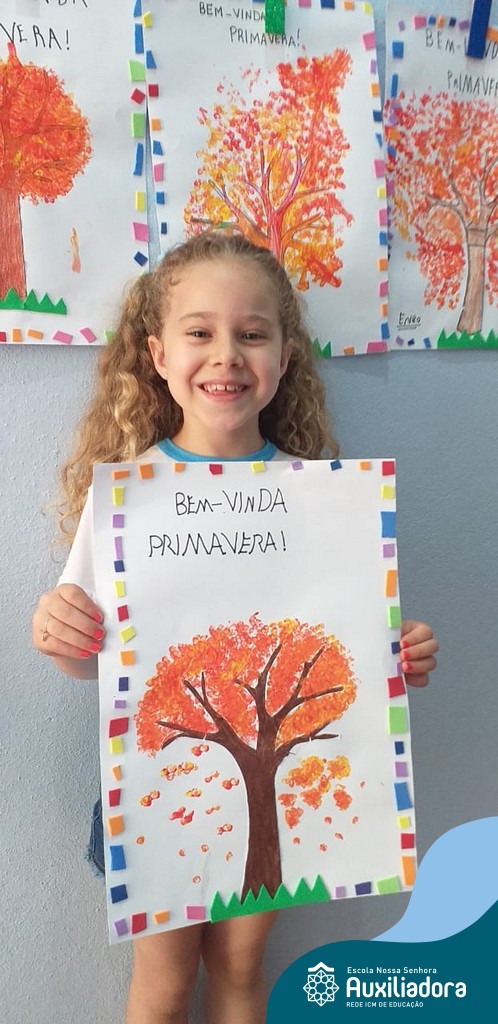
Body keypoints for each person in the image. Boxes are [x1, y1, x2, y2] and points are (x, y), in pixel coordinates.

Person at [32, 232, 438, 1024]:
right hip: (158, 785)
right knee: (164, 980)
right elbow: (90, 661)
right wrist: (61, 633)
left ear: (284, 357)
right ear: (157, 355)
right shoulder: (127, 498)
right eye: (200, 331)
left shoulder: (320, 497)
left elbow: (352, 645)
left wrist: (396, 655)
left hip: (282, 789)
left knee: (243, 964)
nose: (226, 354)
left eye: (252, 333)